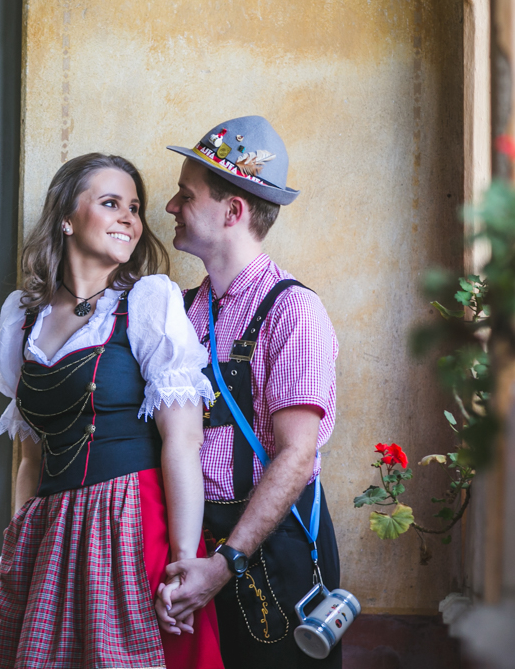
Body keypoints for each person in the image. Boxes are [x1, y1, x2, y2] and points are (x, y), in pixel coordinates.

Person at [0, 153, 223, 669]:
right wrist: (13, 545)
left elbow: (183, 441)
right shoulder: (23, 320)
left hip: (132, 523)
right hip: (50, 531)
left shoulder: (147, 302)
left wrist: (185, 560)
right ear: (67, 218)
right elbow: (32, 460)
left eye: (134, 208)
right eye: (111, 203)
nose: (129, 219)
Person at [159, 116, 342, 668]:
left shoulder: (293, 311)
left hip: (272, 547)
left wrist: (224, 564)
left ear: (232, 211)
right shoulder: (179, 312)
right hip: (196, 546)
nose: (169, 206)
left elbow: (296, 454)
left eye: (185, 195)